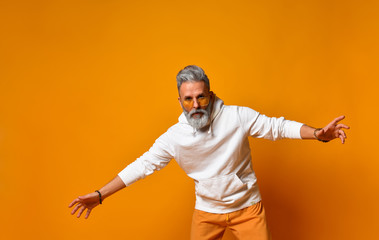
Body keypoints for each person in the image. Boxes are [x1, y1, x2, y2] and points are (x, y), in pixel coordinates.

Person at [69, 65, 349, 240]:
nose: (195, 105)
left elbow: (276, 127)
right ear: (179, 101)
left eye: (201, 96)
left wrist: (317, 135)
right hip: (207, 212)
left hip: (247, 208)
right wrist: (99, 195)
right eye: (188, 99)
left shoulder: (236, 116)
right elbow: (142, 166)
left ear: (211, 96)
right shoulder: (174, 137)